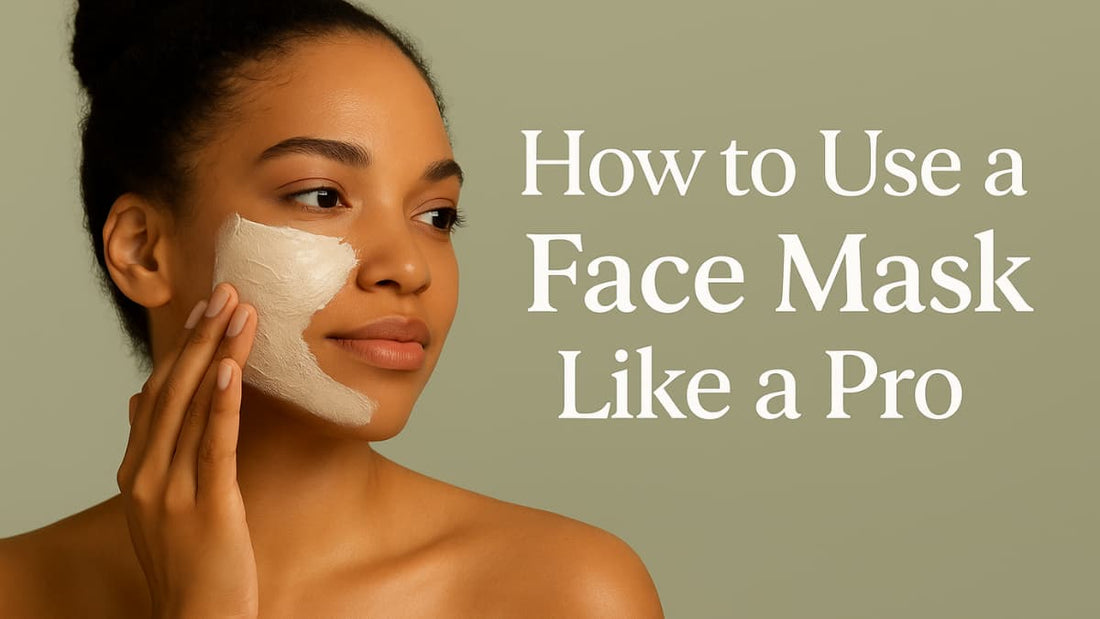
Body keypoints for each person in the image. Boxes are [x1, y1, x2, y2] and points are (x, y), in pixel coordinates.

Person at [0, 1, 664, 616]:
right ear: (144, 251)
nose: (409, 268)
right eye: (322, 197)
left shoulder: (565, 592)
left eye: (437, 215)